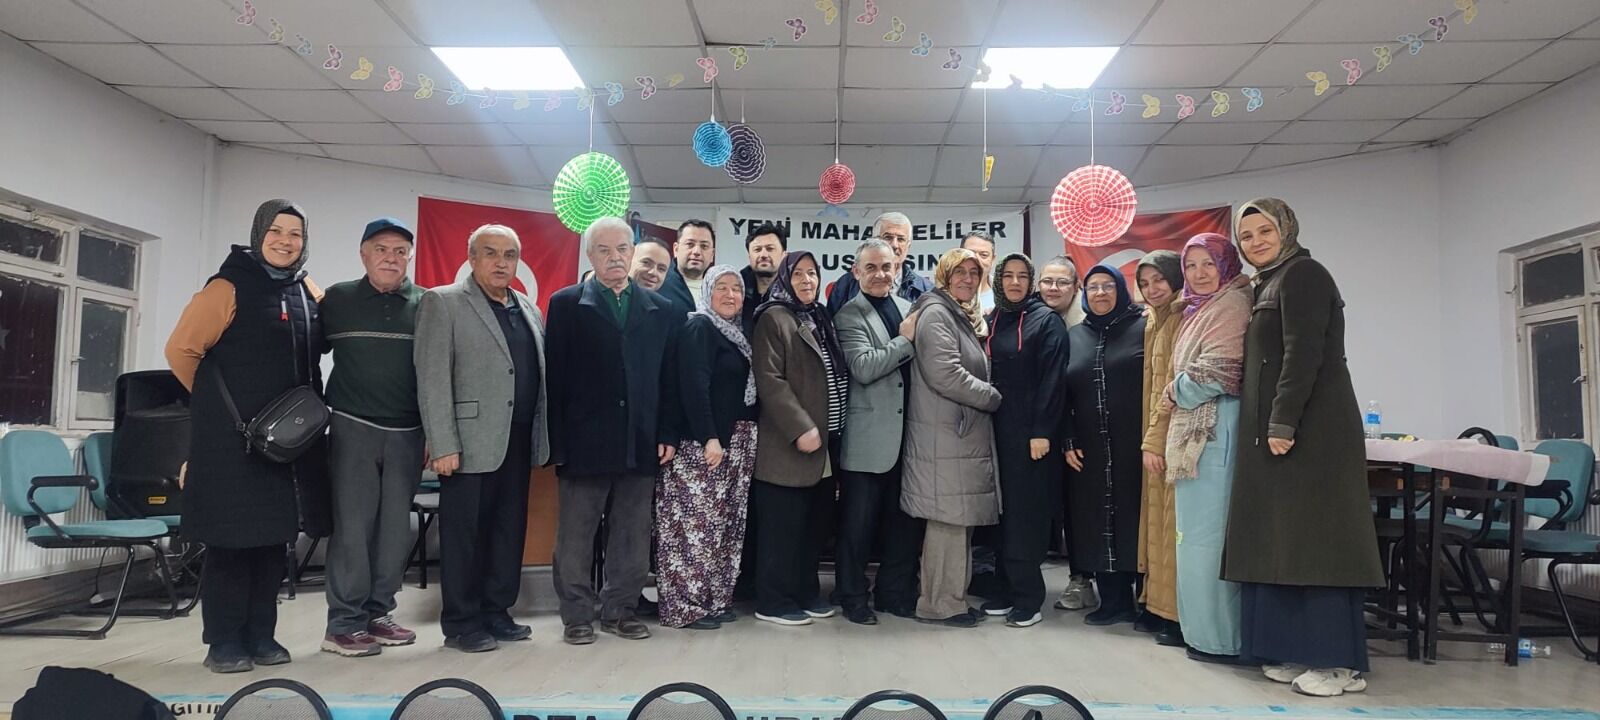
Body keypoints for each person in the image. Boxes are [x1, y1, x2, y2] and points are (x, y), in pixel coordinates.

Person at [1225, 199, 1383, 697]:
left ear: (1286, 229)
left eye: (1264, 230)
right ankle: (1298, 648)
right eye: (1246, 235)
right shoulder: (1268, 282)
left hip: (1312, 431)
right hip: (1280, 434)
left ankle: (1337, 663)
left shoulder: (1305, 275)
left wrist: (1283, 420)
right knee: (1284, 543)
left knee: (1319, 543)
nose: (1255, 241)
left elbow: (1304, 352)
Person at [164, 199, 330, 673]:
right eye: (276, 231)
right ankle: (223, 642)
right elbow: (180, 351)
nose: (285, 241)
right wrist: (217, 405)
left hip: (287, 444)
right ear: (258, 234)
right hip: (232, 444)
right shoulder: (226, 288)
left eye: (295, 234)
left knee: (272, 541)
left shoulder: (305, 289)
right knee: (231, 543)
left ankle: (261, 635)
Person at [414, 224, 549, 654]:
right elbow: (432, 377)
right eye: (491, 253)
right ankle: (461, 623)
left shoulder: (528, 308)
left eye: (509, 255)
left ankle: (496, 612)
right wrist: (443, 443)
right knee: (465, 537)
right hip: (467, 443)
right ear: (472, 258)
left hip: (518, 439)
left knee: (507, 532)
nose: (501, 262)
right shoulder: (444, 302)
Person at [545, 217, 677, 645]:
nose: (615, 257)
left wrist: (667, 433)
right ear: (590, 255)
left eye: (622, 248)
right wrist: (557, 444)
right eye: (604, 250)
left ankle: (620, 610)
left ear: (632, 252)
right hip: (583, 442)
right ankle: (576, 616)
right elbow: (555, 380)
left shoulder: (661, 309)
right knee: (576, 537)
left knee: (632, 535)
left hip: (640, 440)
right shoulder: (566, 304)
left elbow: (668, 380)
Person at [318, 217, 427, 658]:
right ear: (363, 254)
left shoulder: (427, 303)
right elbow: (303, 353)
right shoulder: (337, 300)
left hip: (408, 433)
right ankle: (343, 624)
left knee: (394, 533)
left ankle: (378, 614)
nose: (391, 258)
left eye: (400, 251)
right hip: (353, 427)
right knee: (353, 529)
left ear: (410, 258)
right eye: (381, 249)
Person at [1155, 233, 1252, 665]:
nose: (1199, 273)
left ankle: (1221, 639)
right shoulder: (1199, 308)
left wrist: (1174, 391)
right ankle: (1201, 634)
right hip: (1200, 436)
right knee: (1193, 540)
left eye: (1208, 264)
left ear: (1225, 265)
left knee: (1210, 543)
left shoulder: (1232, 306)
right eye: (1191, 265)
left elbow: (1219, 373)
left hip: (1216, 432)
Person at [654, 265, 759, 630]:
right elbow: (693, 386)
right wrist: (709, 437)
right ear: (708, 291)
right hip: (704, 445)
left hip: (736, 442)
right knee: (693, 528)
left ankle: (714, 600)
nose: (730, 295)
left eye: (736, 289)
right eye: (722, 288)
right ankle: (684, 607)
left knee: (723, 526)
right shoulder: (700, 326)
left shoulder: (738, 334)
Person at [901, 248, 1001, 628]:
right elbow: (945, 374)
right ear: (943, 275)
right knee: (948, 522)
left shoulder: (957, 313)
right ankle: (938, 604)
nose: (968, 279)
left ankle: (952, 599)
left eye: (974, 273)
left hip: (956, 436)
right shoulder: (937, 313)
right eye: (959, 272)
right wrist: (992, 397)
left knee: (958, 522)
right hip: (944, 437)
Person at [749, 251, 848, 626]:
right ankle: (773, 600)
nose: (807, 280)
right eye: (798, 274)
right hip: (790, 443)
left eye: (812, 273)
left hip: (825, 445)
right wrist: (800, 427)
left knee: (813, 526)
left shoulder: (819, 316)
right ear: (784, 280)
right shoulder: (773, 318)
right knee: (782, 528)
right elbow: (770, 380)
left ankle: (806, 592)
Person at [833, 239, 924, 625]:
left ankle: (893, 593)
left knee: (904, 525)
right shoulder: (847, 315)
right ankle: (853, 597)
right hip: (867, 439)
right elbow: (864, 367)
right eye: (870, 267)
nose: (880, 274)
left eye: (886, 267)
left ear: (896, 269)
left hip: (910, 437)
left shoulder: (908, 309)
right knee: (858, 528)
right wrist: (905, 340)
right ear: (856, 272)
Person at [979, 254, 1068, 628]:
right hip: (995, 430)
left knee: (1024, 516)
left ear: (1031, 282)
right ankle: (1004, 588)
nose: (1015, 282)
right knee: (1001, 514)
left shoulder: (1046, 321)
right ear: (998, 280)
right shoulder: (992, 319)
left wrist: (1041, 431)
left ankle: (1028, 598)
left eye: (1022, 276)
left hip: (1030, 435)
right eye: (1008, 276)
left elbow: (1054, 380)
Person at [1063, 264, 1147, 626]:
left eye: (1108, 286)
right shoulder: (1075, 336)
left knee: (1136, 520)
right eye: (1093, 287)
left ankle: (1147, 603)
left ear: (1121, 290)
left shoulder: (1143, 328)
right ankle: (1113, 602)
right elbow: (1062, 392)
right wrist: (1067, 438)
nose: (1100, 293)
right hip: (1089, 449)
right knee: (1096, 520)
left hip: (1136, 445)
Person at [1037, 255, 1093, 612]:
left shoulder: (1085, 325)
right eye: (1047, 281)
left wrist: (1070, 434)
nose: (1053, 288)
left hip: (1078, 432)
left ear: (1076, 287)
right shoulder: (1033, 318)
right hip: (1042, 430)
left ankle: (1081, 579)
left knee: (1078, 509)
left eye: (1062, 282)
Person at [1135, 250, 1185, 641]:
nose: (1152, 289)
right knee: (1154, 527)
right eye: (1145, 283)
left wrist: (1155, 439)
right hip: (1154, 438)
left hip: (1174, 439)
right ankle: (1154, 604)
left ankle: (1177, 616)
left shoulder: (1184, 316)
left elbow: (1173, 387)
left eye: (1159, 280)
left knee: (1172, 528)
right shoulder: (1153, 319)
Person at [827, 212, 933, 309]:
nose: (894, 245)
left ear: (908, 246)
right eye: (888, 237)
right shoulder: (845, 285)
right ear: (874, 241)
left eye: (901, 239)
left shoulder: (926, 290)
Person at [741, 222, 787, 331]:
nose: (763, 255)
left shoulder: (795, 294)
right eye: (757, 250)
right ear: (749, 256)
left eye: (770, 249)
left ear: (784, 255)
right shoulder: (735, 292)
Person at [659, 219, 715, 308]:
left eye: (704, 246)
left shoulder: (719, 290)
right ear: (676, 249)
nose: (696, 251)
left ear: (712, 254)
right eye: (690, 244)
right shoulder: (658, 283)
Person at [961, 231, 998, 313]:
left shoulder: (1006, 297)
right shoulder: (944, 297)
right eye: (970, 253)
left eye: (983, 255)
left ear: (992, 259)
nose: (977, 260)